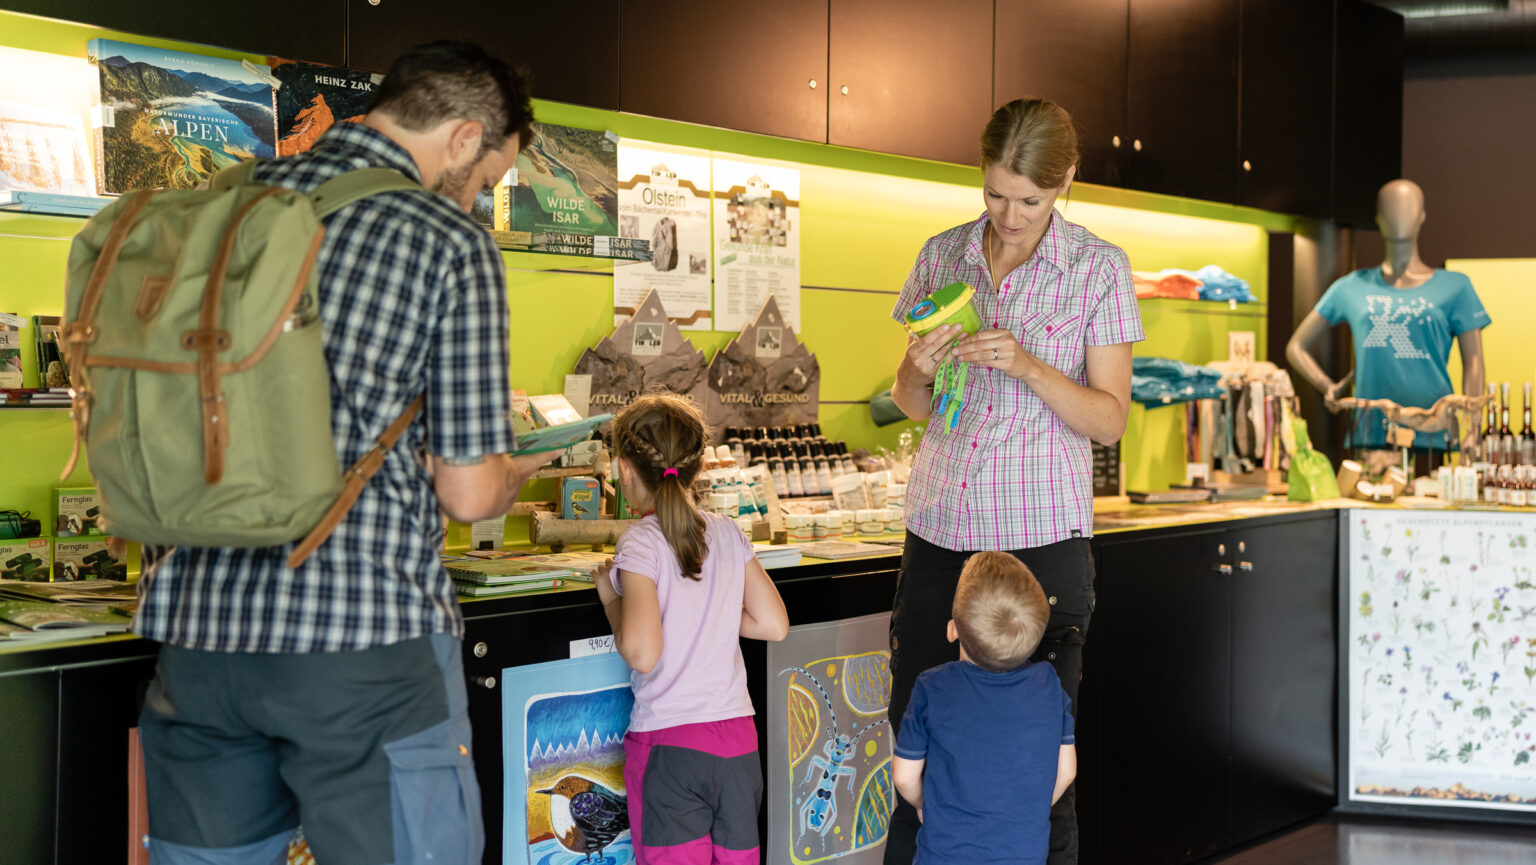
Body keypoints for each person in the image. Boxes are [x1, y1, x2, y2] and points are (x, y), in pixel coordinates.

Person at [133, 42, 554, 865]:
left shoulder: (214, 211)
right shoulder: (446, 240)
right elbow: (467, 493)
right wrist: (515, 473)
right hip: (362, 644)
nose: (479, 197)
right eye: (488, 180)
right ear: (466, 139)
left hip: (194, 639)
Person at [885, 97, 1143, 865]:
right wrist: (914, 369)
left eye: (1031, 199)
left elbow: (1109, 420)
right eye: (995, 193)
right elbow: (910, 402)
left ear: (1066, 180)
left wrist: (1029, 364)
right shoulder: (943, 254)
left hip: (1040, 555)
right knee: (917, 748)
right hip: (938, 540)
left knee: (1037, 775)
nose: (1010, 214)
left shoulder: (1098, 268)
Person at [593, 393, 790, 865]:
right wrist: (713, 612)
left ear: (623, 468)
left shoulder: (640, 542)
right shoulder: (726, 531)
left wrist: (609, 596)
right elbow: (773, 624)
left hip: (670, 748)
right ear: (697, 467)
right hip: (739, 745)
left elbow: (642, 653)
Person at [1286, 178, 1489, 471]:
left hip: (1432, 435)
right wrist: (1327, 386)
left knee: (1433, 514)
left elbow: (1474, 361)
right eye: (1391, 209)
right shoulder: (1351, 287)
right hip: (1371, 435)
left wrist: (1474, 427)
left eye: (1408, 208)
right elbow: (1296, 346)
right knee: (1370, 514)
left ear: (1422, 216)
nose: (1400, 216)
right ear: (1378, 219)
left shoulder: (1455, 287)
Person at [891, 552, 1075, 865]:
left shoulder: (932, 687)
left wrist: (927, 805)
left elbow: (904, 777)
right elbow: (1066, 770)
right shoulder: (1049, 685)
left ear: (953, 630)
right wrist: (1027, 813)